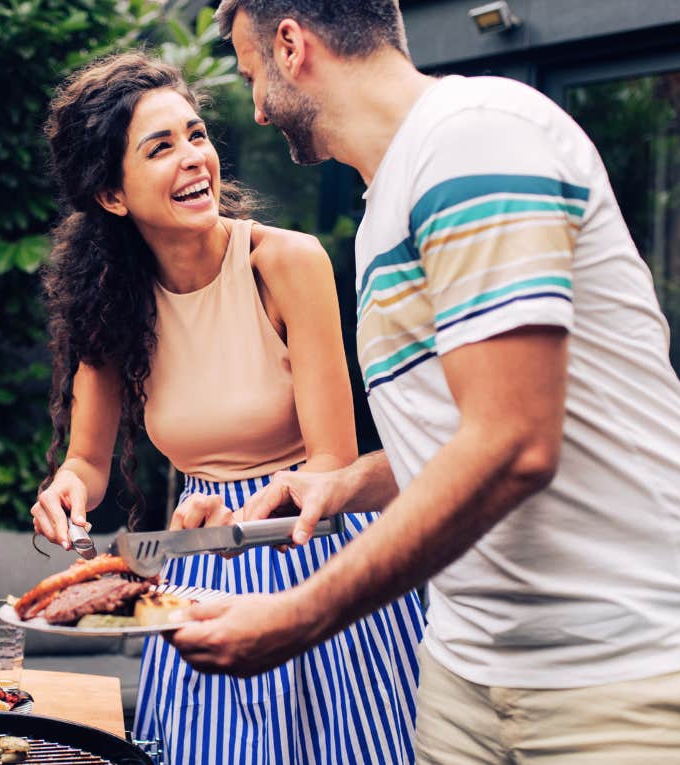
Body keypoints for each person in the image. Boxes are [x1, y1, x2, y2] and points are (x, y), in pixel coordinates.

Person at [165, 2, 680, 763]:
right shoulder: (388, 199)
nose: (255, 107)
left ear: (292, 44)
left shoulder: (472, 138)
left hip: (624, 677)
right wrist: (350, 483)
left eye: (251, 76)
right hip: (466, 674)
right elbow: (472, 428)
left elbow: (513, 443)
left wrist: (296, 615)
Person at [29, 52, 423, 765]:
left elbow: (332, 462)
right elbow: (86, 460)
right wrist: (65, 489)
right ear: (113, 196)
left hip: (310, 545)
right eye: (161, 147)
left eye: (196, 134)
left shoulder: (287, 262)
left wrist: (243, 522)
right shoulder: (110, 300)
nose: (194, 159)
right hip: (199, 558)